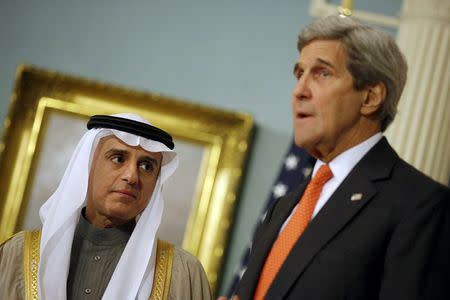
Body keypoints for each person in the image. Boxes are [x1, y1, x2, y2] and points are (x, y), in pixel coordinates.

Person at [228, 15, 450, 300]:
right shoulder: (285, 206)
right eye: (299, 74)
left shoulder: (420, 206)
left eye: (322, 73)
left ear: (370, 97)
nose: (299, 91)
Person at [0, 113, 212, 300]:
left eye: (146, 166)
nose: (131, 176)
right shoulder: (16, 254)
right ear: (88, 166)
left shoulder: (183, 273)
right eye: (118, 158)